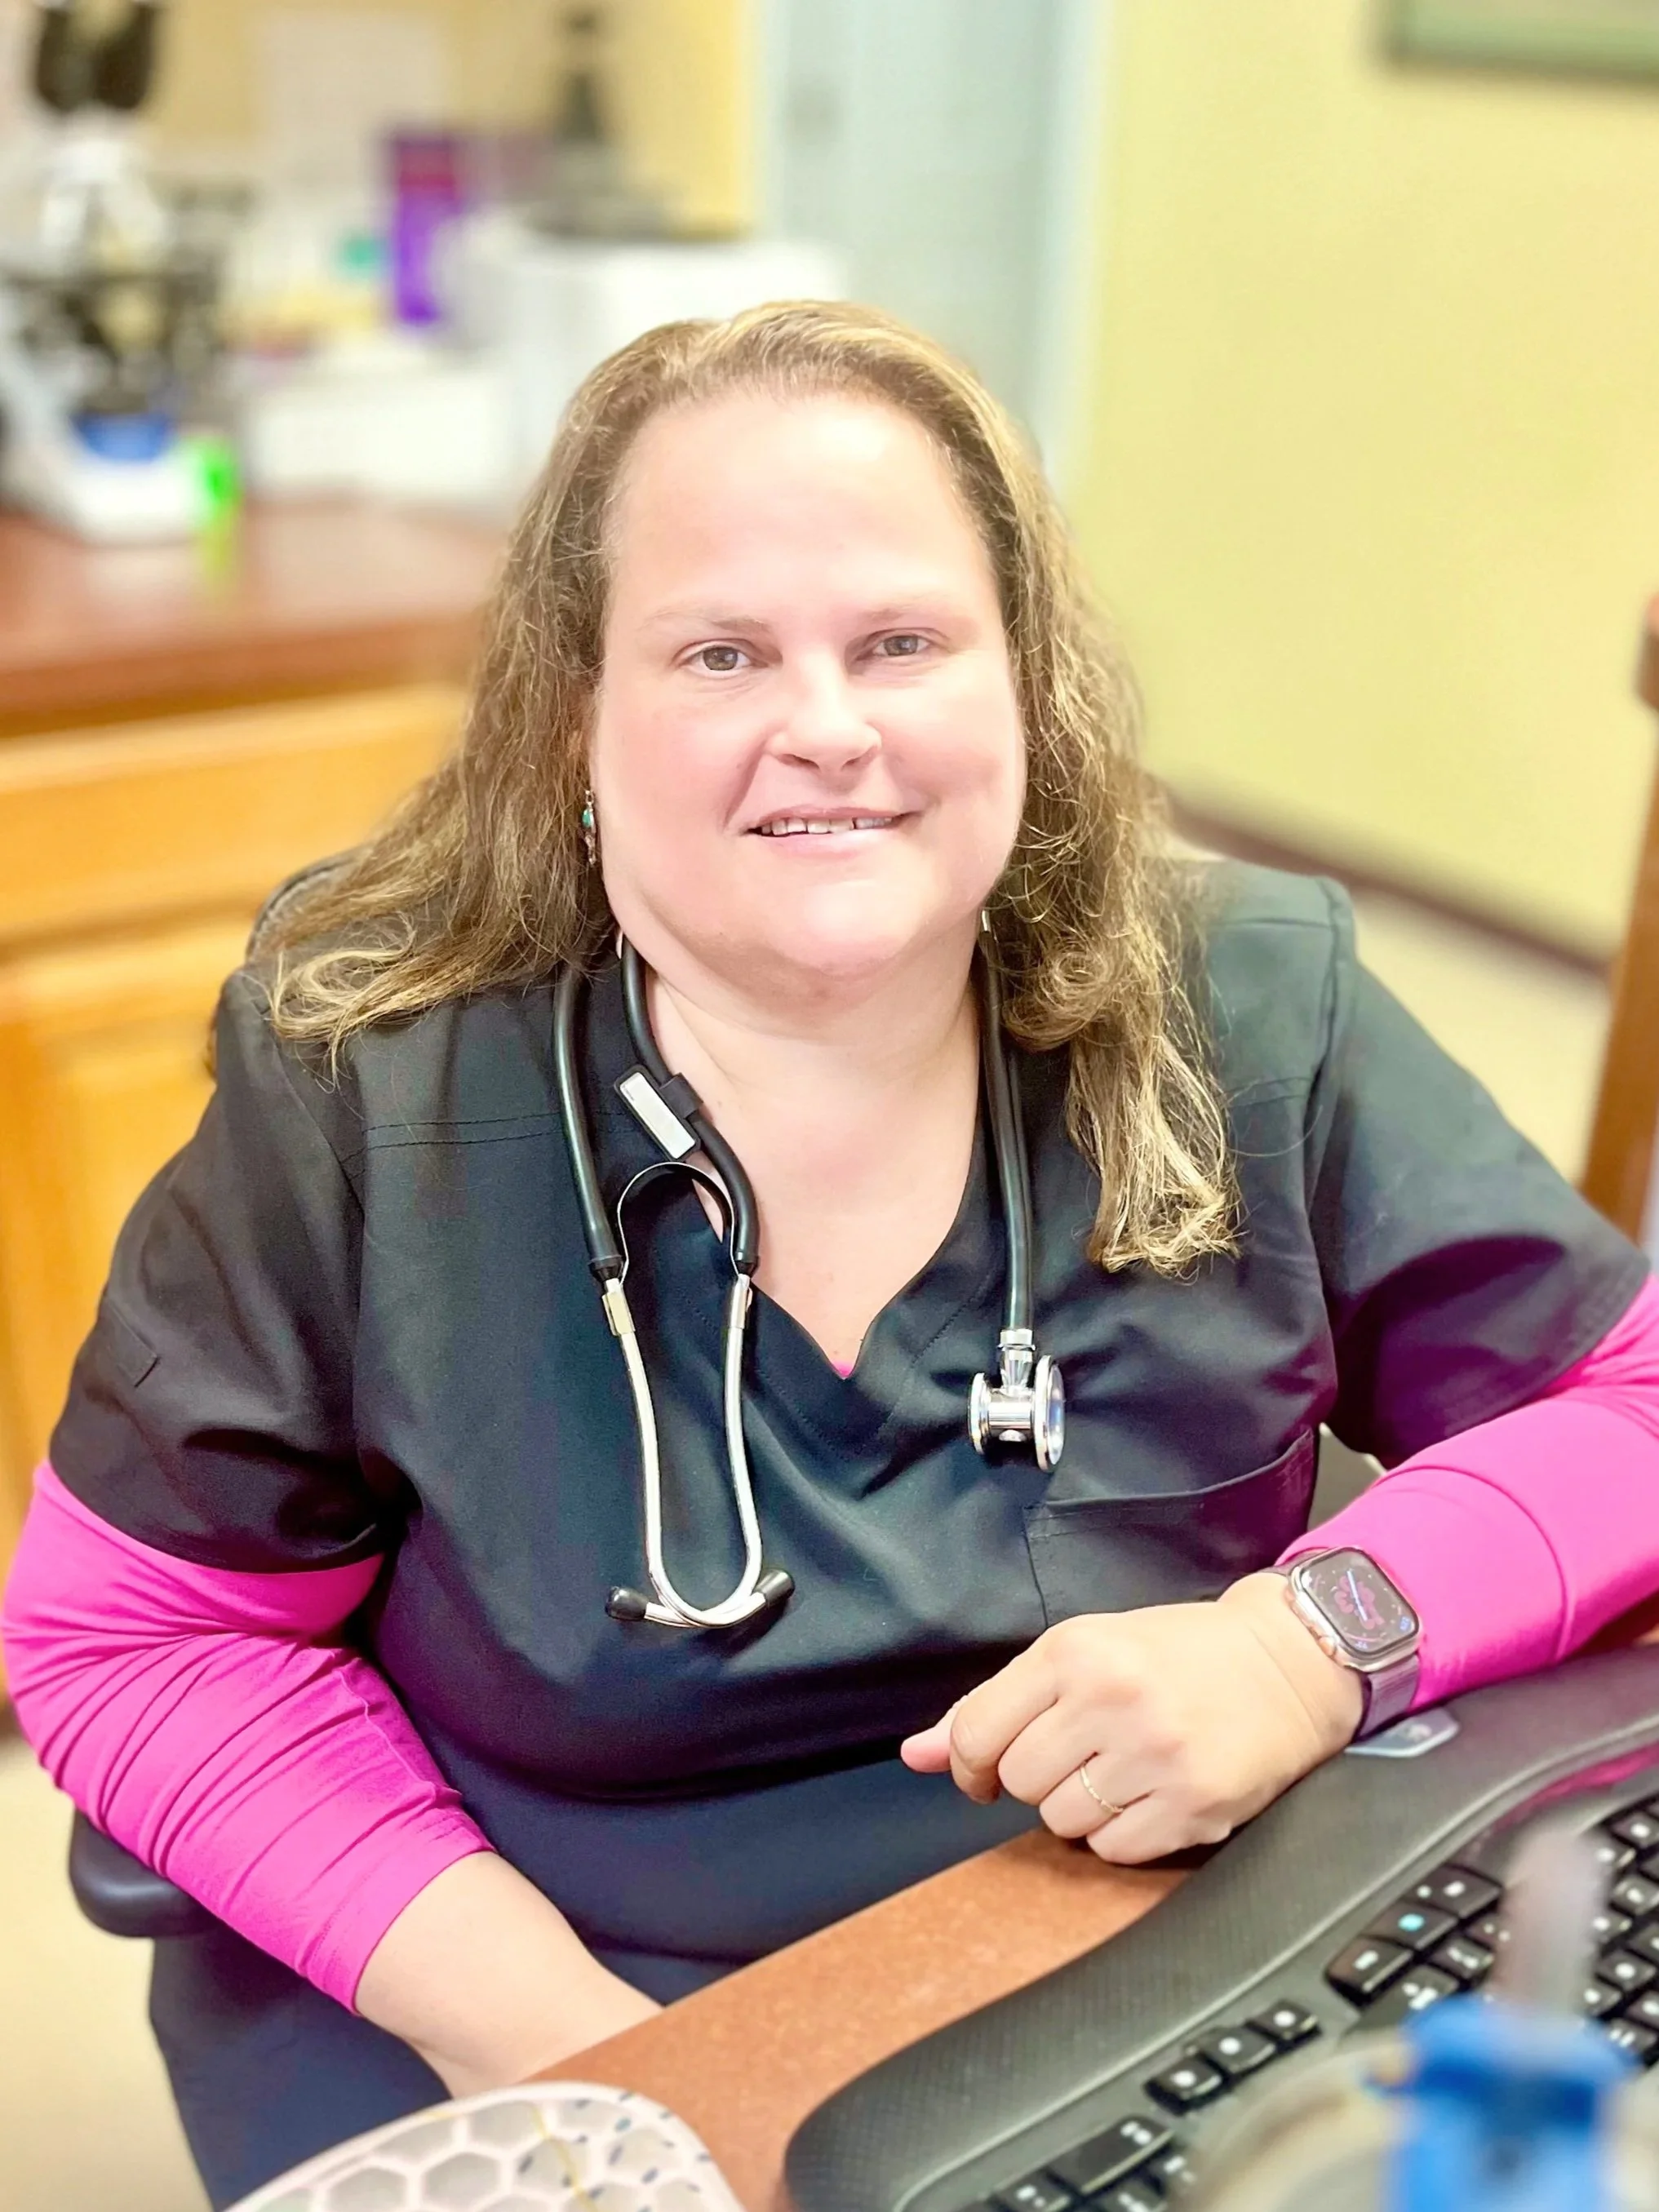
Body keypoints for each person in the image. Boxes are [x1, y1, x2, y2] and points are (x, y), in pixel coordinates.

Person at [5, 301, 1659, 2210]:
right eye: (720, 652)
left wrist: (1305, 1642)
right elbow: (136, 1635)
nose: (829, 725)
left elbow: (1625, 1403)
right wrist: (592, 2059)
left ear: (1020, 686)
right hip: (532, 1971)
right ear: (576, 719)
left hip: (1126, 1947)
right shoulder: (365, 1083)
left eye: (901, 641)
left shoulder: (1243, 1010)